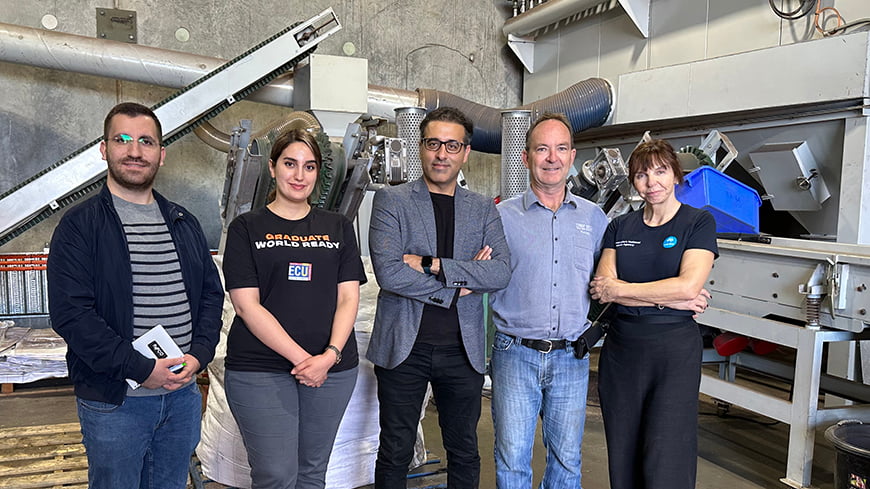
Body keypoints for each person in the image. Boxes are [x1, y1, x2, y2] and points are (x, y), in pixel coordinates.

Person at [47, 102, 224, 489]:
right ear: (104, 149)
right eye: (122, 139)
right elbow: (71, 314)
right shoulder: (81, 225)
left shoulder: (183, 221)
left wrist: (199, 355)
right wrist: (142, 369)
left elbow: (212, 295)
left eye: (146, 141)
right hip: (115, 402)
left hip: (182, 395)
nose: (134, 150)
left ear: (161, 154)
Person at [368, 106, 511, 489]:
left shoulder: (481, 208)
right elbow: (390, 273)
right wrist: (463, 279)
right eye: (434, 143)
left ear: (466, 152)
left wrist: (432, 264)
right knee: (396, 448)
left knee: (464, 448)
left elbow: (499, 271)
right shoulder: (391, 201)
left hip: (462, 349)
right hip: (403, 346)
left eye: (452, 145)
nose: (441, 154)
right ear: (421, 148)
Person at [222, 128, 367, 489]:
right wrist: (305, 360)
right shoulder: (246, 228)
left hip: (332, 369)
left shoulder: (338, 227)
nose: (299, 175)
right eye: (290, 164)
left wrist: (329, 356)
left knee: (312, 474)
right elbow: (247, 306)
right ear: (272, 168)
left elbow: (348, 297)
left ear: (318, 173)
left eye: (309, 166)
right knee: (276, 475)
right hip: (261, 368)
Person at [589, 139, 717, 489]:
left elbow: (689, 286)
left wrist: (625, 291)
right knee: (624, 448)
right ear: (633, 181)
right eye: (642, 175)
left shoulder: (698, 222)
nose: (652, 182)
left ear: (676, 174)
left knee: (667, 450)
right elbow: (603, 289)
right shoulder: (620, 227)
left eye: (661, 171)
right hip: (622, 351)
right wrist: (669, 298)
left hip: (672, 352)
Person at [489, 113, 608, 489]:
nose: (551, 158)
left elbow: (615, 280)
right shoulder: (501, 217)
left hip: (572, 355)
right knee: (511, 460)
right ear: (526, 157)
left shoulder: (595, 218)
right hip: (515, 354)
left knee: (567, 461)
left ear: (572, 156)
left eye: (560, 149)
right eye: (542, 149)